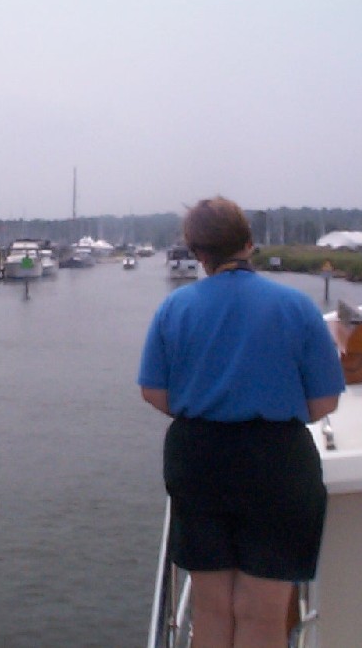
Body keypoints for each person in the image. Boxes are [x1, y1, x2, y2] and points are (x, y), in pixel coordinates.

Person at [137, 197, 345, 648]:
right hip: (278, 461)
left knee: (211, 610)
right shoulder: (297, 307)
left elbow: (153, 392)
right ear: (248, 243)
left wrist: (203, 406)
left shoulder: (174, 309)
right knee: (263, 615)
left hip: (199, 457)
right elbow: (325, 400)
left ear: (197, 252)